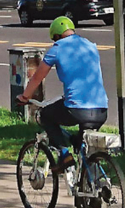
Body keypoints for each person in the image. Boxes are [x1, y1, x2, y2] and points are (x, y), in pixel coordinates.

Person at [17, 16, 108, 174]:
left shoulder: (58, 49)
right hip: (101, 109)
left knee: (44, 115)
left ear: (57, 36)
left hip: (77, 108)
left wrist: (25, 97)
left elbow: (38, 77)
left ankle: (64, 154)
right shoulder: (91, 45)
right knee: (83, 149)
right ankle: (93, 188)